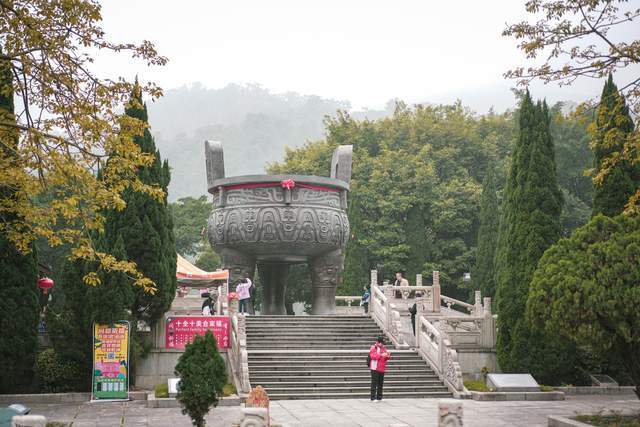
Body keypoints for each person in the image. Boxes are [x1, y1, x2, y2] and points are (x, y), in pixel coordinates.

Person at [369, 336, 391, 401]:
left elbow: (385, 358)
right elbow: (373, 356)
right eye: (382, 343)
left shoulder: (383, 348)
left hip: (382, 368)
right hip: (375, 368)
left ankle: (379, 397)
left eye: (383, 343)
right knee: (374, 383)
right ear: (378, 342)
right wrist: (381, 355)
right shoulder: (373, 347)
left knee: (380, 383)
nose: (383, 344)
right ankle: (373, 397)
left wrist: (387, 356)